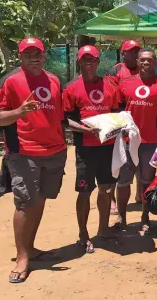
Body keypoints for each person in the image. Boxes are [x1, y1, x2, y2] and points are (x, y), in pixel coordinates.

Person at [0, 38, 67, 283]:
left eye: (38, 53)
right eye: (29, 53)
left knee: (40, 199)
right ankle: (22, 256)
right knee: (25, 202)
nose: (34, 57)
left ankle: (32, 248)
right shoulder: (8, 81)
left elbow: (59, 115)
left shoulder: (54, 80)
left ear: (44, 55)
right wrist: (19, 112)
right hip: (24, 151)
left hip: (54, 151)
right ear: (20, 56)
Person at [63, 45, 119, 254]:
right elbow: (65, 120)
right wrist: (86, 129)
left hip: (108, 147)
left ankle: (103, 230)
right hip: (86, 149)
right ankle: (83, 234)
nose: (89, 63)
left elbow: (116, 114)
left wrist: (118, 128)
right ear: (79, 62)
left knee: (106, 189)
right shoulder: (71, 88)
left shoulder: (110, 86)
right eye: (85, 59)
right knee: (85, 192)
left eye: (92, 59)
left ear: (97, 62)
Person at [117, 49, 157, 235]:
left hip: (149, 142)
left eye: (149, 60)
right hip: (127, 141)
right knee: (124, 181)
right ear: (137, 61)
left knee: (146, 181)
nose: (145, 63)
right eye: (142, 60)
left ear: (155, 62)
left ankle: (144, 216)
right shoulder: (124, 84)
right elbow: (117, 111)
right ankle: (122, 217)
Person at [105, 39, 142, 207]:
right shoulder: (116, 70)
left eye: (137, 51)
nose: (134, 54)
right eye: (130, 51)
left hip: (140, 120)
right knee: (118, 160)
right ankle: (112, 199)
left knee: (139, 161)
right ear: (123, 53)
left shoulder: (144, 69)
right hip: (120, 121)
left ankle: (139, 195)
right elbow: (111, 94)